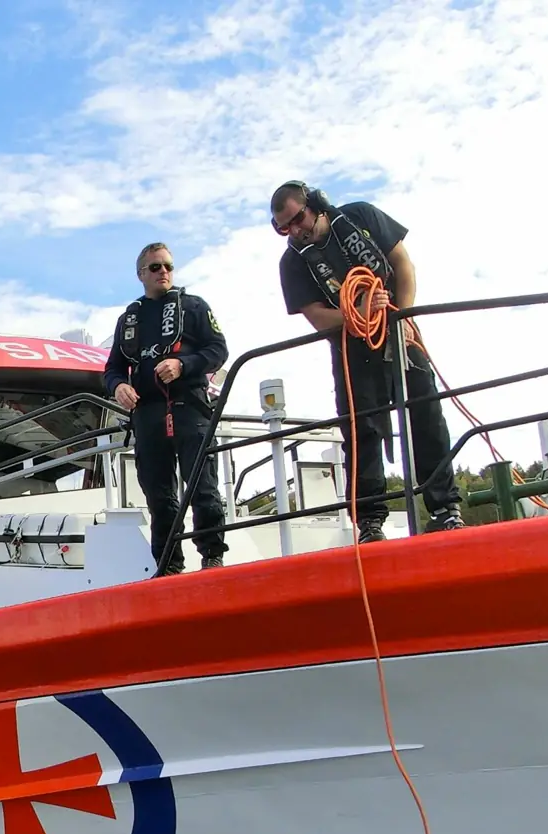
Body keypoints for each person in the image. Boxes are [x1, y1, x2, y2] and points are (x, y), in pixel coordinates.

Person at [270, 182, 464, 541]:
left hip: (398, 330)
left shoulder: (360, 216)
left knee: (427, 416)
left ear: (316, 203)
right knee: (362, 431)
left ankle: (445, 508)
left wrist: (403, 316)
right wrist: (357, 313)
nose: (294, 230)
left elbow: (402, 264)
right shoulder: (292, 262)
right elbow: (317, 317)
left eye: (298, 219)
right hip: (351, 349)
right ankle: (370, 522)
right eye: (284, 228)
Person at [103, 243, 230, 574]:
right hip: (147, 413)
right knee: (158, 496)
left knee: (202, 486)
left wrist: (183, 364)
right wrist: (118, 386)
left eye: (168, 266)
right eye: (156, 267)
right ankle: (168, 565)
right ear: (141, 274)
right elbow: (113, 368)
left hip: (190, 407)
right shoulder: (128, 319)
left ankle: (213, 557)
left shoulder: (194, 307)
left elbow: (218, 350)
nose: (164, 272)